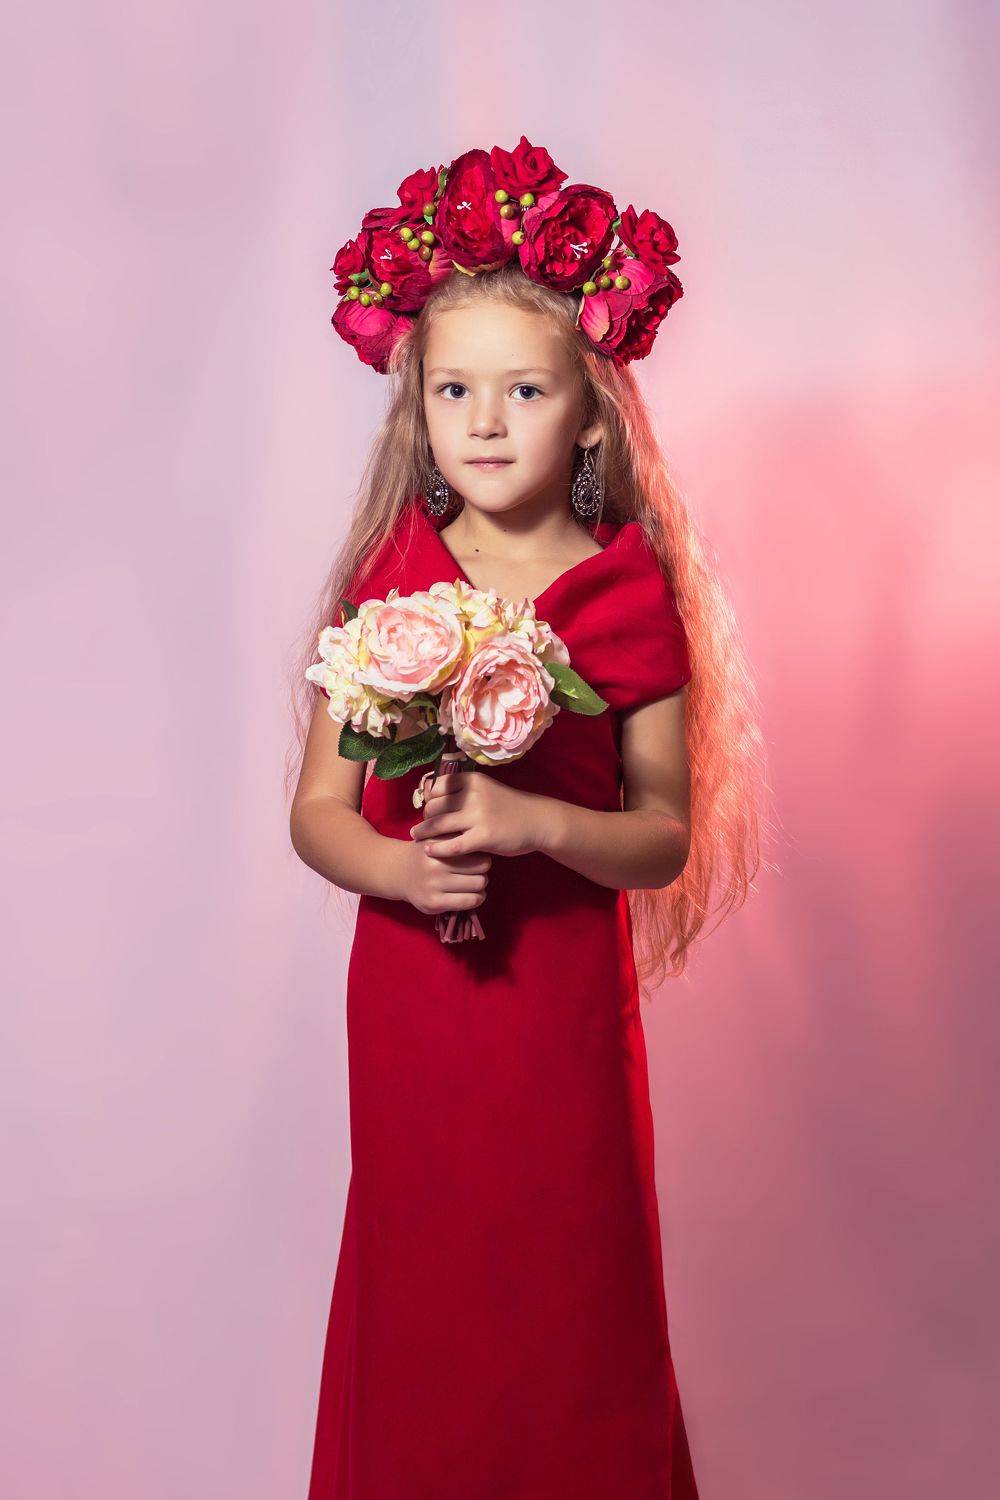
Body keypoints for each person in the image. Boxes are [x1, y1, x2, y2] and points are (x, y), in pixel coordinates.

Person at [287, 138, 766, 1499]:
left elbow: (662, 835)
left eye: (525, 390)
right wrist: (398, 870)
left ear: (592, 417)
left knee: (567, 1280)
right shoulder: (391, 584)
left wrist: (535, 822)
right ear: (417, 412)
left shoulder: (625, 594)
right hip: (416, 999)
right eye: (455, 390)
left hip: (557, 1005)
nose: (486, 422)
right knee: (429, 1278)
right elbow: (317, 812)